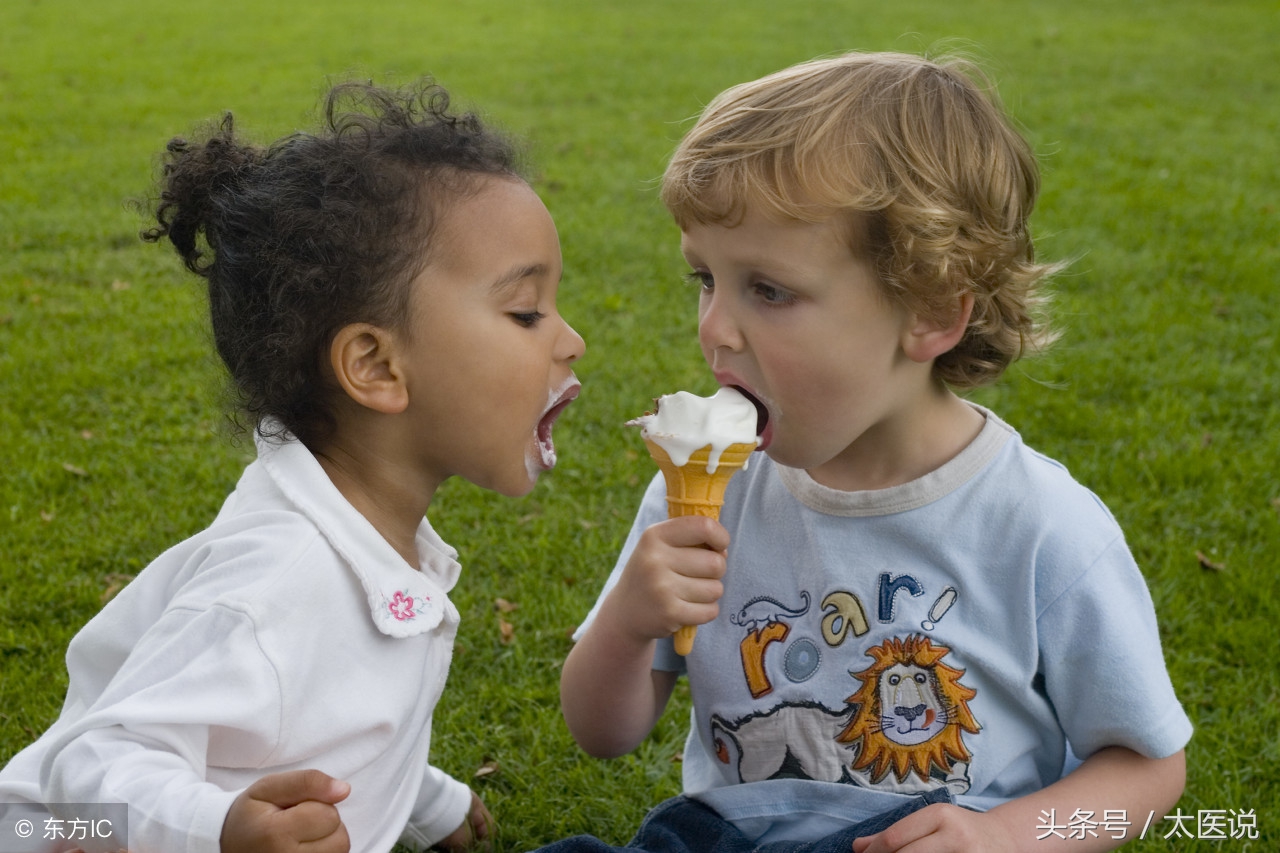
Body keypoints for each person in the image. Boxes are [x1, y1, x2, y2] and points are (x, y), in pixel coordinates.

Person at [552, 52, 1190, 853]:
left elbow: (1148, 767)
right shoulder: (717, 491)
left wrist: (1005, 835)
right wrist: (625, 623)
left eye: (769, 290)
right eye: (704, 279)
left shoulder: (1041, 527)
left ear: (930, 313)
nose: (715, 329)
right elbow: (603, 731)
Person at [0, 80, 585, 853]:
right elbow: (89, 775)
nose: (571, 340)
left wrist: (425, 799)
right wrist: (222, 829)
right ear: (375, 366)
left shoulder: (367, 538)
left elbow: (338, 705)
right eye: (526, 312)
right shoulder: (276, 583)